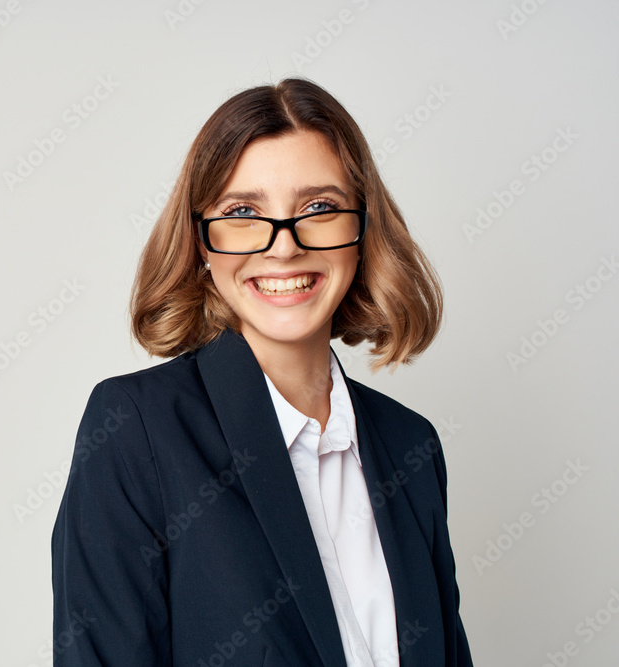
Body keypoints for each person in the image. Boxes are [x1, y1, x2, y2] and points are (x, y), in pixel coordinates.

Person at [51, 77, 473, 666]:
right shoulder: (137, 431)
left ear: (362, 229)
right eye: (243, 212)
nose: (283, 247)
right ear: (202, 240)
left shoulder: (412, 445)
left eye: (318, 208)